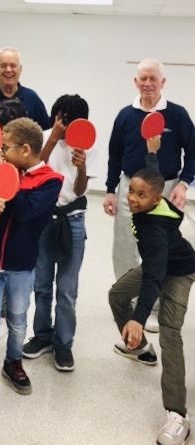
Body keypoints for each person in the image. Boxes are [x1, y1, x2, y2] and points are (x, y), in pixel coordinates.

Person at [0, 117, 63, 438]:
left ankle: (12, 363)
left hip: (22, 266)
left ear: (25, 149)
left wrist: (6, 178)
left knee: (18, 322)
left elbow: (26, 211)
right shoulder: (2, 170)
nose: (0, 152)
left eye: (6, 148)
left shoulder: (51, 181)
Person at [108, 153, 195, 445]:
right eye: (131, 191)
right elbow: (153, 176)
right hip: (158, 262)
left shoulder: (154, 231)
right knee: (117, 294)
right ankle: (142, 350)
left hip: (179, 271)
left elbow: (154, 279)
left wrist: (138, 318)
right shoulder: (155, 199)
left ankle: (177, 415)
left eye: (141, 195)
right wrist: (153, 153)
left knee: (170, 333)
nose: (133, 199)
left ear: (156, 199)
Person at [103, 58, 195, 332]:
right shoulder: (125, 115)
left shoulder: (177, 114)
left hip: (166, 188)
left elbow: (193, 152)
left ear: (162, 82)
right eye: (143, 78)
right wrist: (110, 190)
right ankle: (128, 300)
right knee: (124, 245)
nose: (147, 83)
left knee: (159, 247)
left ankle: (153, 306)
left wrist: (183, 184)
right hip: (129, 187)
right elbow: (114, 155)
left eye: (153, 78)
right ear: (135, 81)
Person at [22, 94, 97, 371]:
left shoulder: (88, 145)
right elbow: (33, 174)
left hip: (73, 220)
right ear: (55, 116)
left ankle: (64, 343)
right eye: (60, 118)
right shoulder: (43, 138)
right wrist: (52, 139)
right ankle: (42, 335)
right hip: (43, 219)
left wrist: (82, 166)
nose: (64, 124)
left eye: (70, 120)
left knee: (67, 288)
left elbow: (79, 190)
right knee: (41, 283)